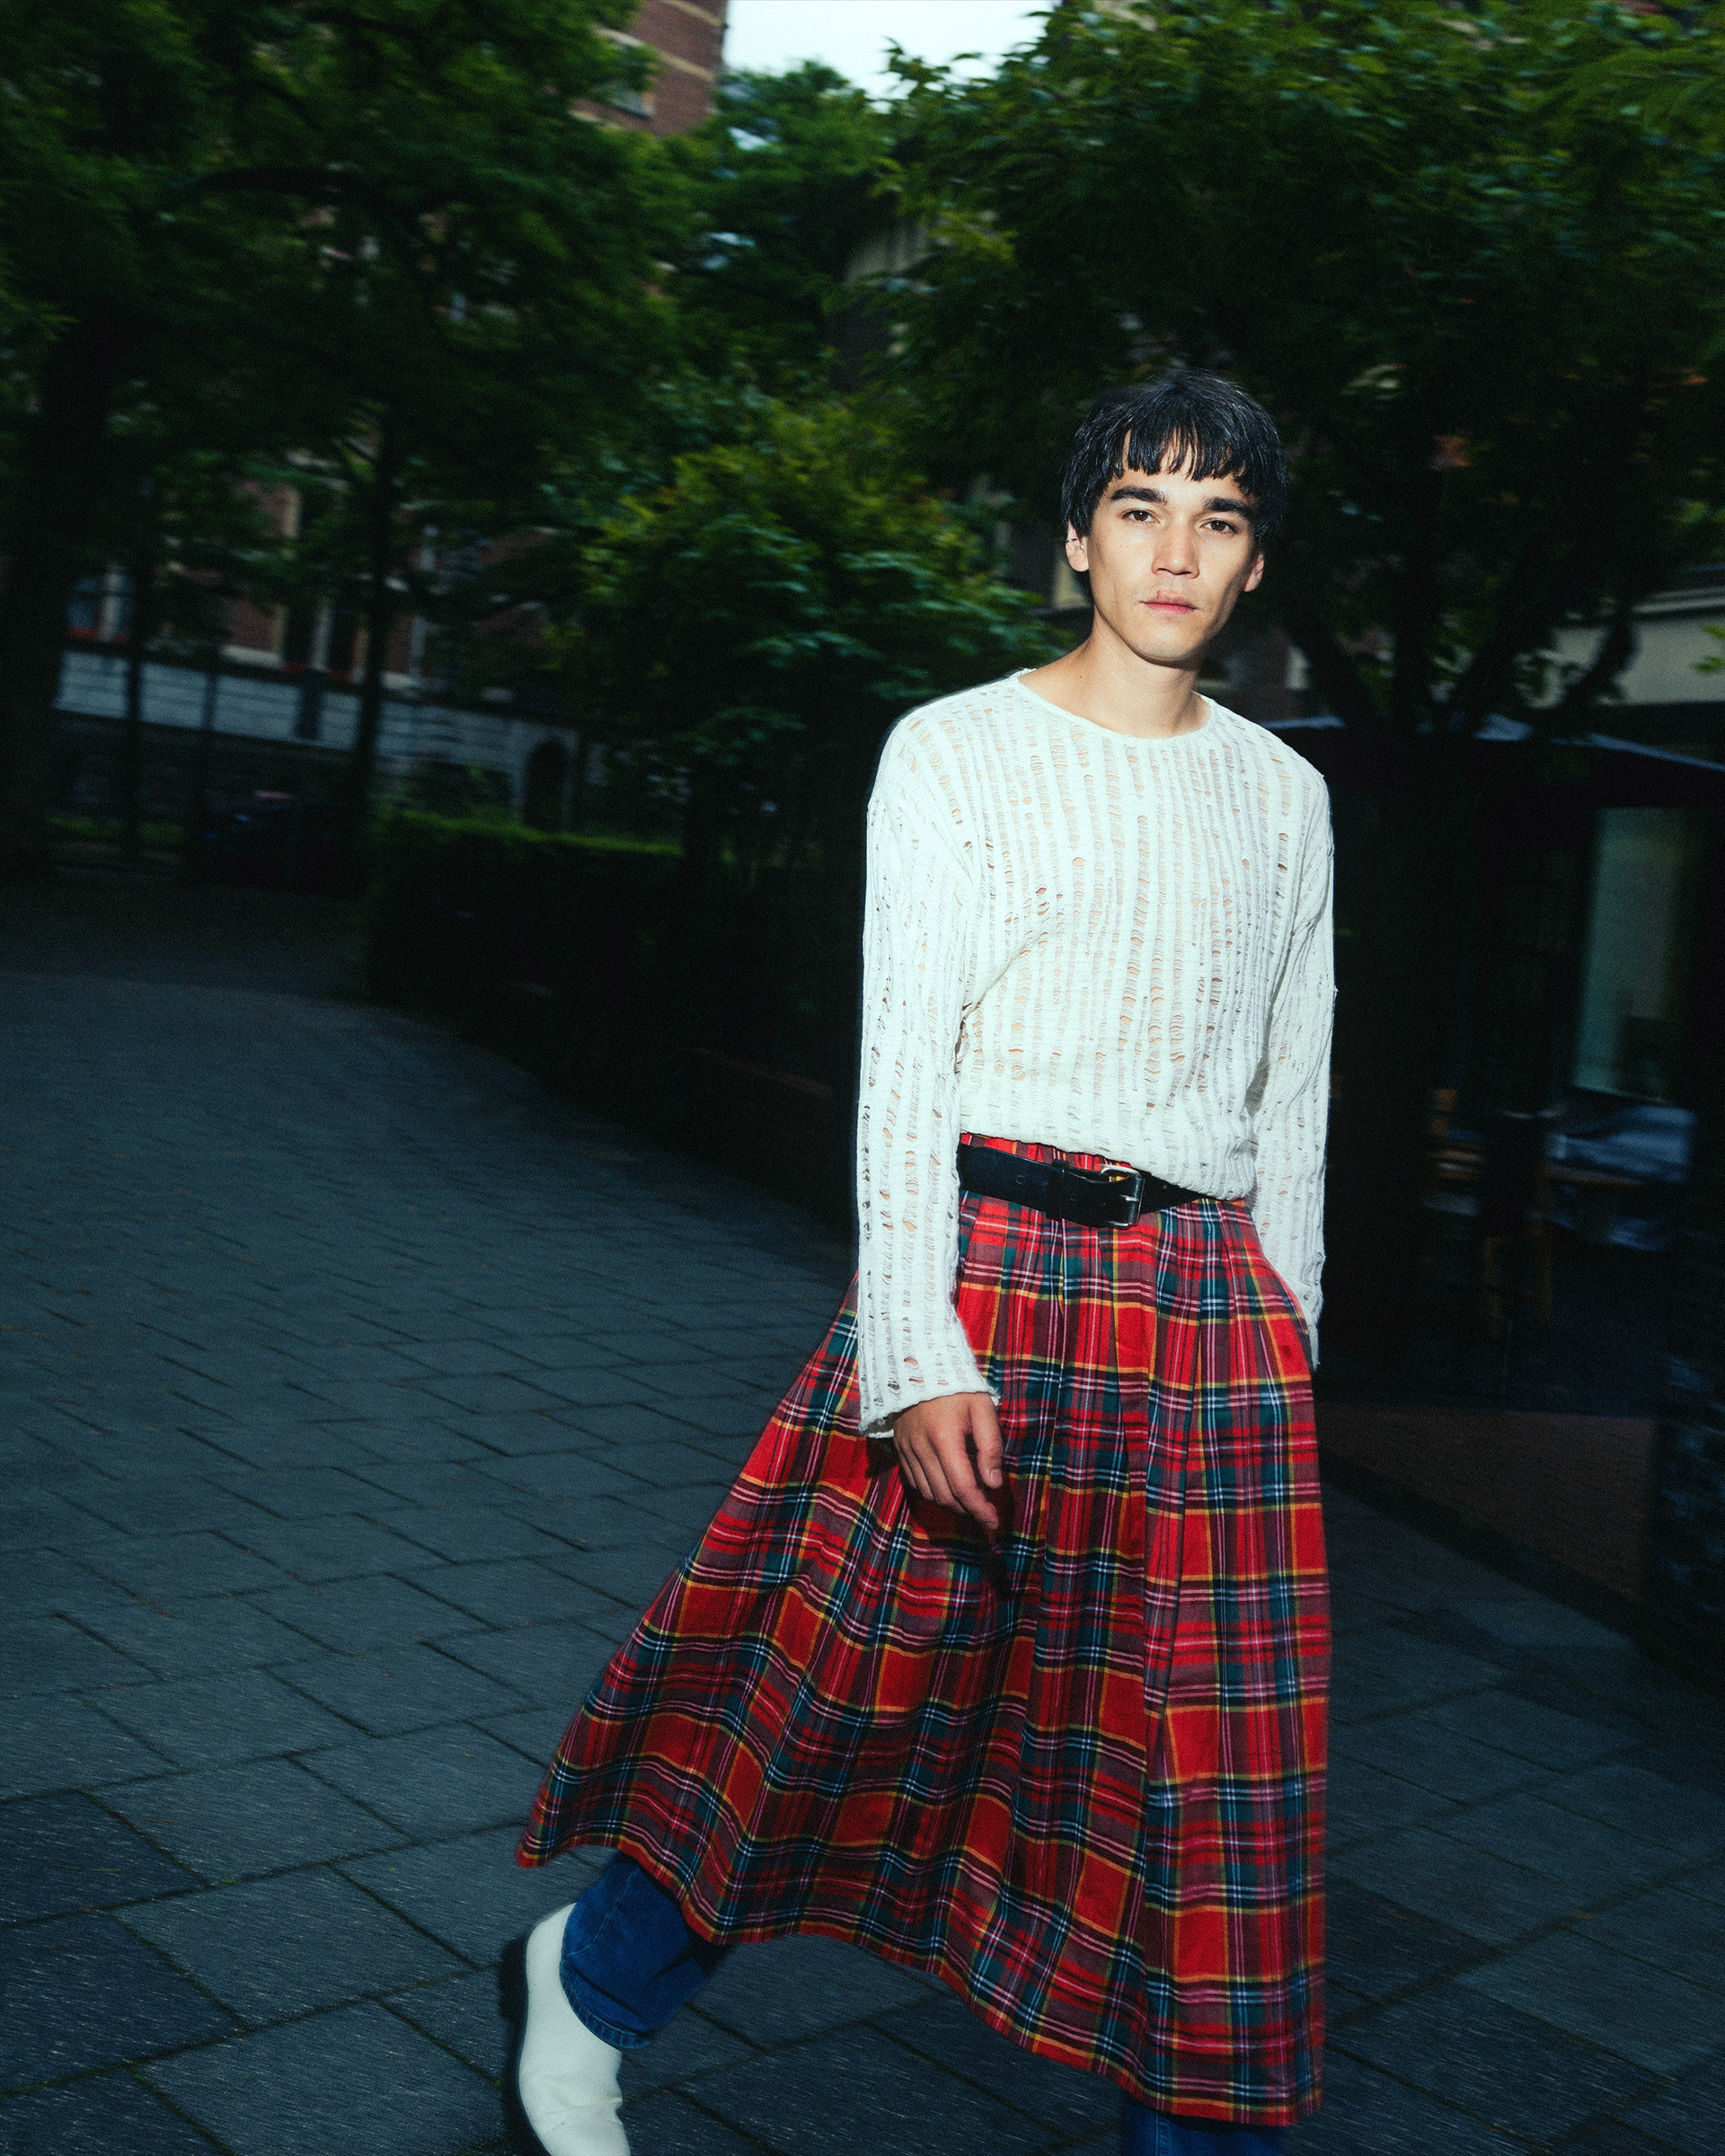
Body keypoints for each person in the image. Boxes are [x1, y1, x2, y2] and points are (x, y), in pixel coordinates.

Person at [505, 369, 1333, 2156]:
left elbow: (1298, 1100)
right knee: (838, 1700)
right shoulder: (955, 750)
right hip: (991, 1285)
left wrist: (1289, 1348)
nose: (1177, 550)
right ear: (1076, 538)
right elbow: (903, 1074)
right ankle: (593, 1980)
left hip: (1206, 1323)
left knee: (1210, 1798)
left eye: (1219, 519)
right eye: (1140, 507)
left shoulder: (1286, 798)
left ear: (1256, 563)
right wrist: (915, 1348)